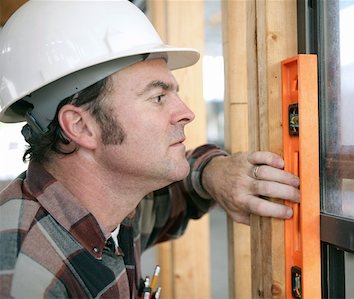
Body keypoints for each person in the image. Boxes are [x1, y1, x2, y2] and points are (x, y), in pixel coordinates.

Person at [0, 0, 300, 297]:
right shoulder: (24, 275)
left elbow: (187, 190)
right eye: (157, 97)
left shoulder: (117, 207)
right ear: (80, 126)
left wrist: (213, 172)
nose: (187, 113)